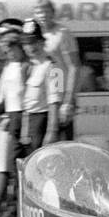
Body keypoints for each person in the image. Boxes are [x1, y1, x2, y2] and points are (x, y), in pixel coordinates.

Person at [0, 20, 28, 217]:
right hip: (11, 115)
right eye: (6, 50)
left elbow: (25, 95)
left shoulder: (25, 66)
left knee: (19, 165)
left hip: (22, 114)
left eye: (11, 49)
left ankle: (17, 209)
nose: (9, 53)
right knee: (10, 166)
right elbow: (3, 96)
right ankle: (9, 208)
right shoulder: (8, 68)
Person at [33, 0, 80, 141]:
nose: (43, 16)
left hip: (58, 90)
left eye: (46, 11)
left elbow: (74, 66)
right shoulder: (35, 35)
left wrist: (68, 100)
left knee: (58, 138)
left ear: (53, 13)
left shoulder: (62, 33)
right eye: (39, 12)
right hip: (40, 97)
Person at [21, 20, 63, 154]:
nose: (30, 47)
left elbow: (55, 102)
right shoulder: (29, 67)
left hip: (43, 123)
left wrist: (52, 132)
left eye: (34, 42)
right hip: (28, 123)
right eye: (26, 43)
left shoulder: (54, 67)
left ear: (42, 42)